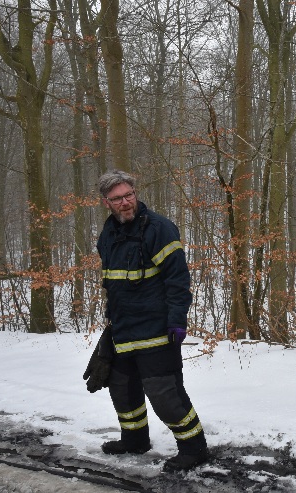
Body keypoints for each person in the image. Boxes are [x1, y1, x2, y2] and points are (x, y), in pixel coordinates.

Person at [92, 169, 208, 472]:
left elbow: (177, 280)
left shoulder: (159, 228)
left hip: (157, 330)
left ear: (135, 193)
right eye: (117, 198)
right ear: (107, 202)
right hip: (123, 329)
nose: (125, 202)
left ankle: (194, 449)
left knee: (165, 394)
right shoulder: (108, 234)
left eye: (129, 195)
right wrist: (112, 326)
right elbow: (114, 285)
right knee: (123, 390)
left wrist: (177, 321)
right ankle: (134, 440)